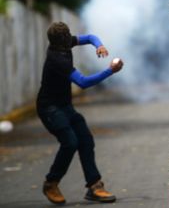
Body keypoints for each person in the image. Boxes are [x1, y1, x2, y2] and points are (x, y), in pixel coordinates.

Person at [36, 22, 123, 204]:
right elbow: (82, 82)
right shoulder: (56, 59)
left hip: (64, 106)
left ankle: (94, 186)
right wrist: (110, 71)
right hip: (49, 108)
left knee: (85, 139)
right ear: (61, 41)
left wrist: (99, 46)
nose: (71, 40)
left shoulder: (65, 42)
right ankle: (51, 182)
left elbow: (90, 37)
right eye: (68, 38)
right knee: (70, 142)